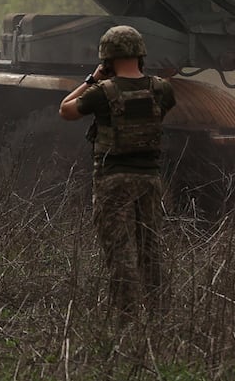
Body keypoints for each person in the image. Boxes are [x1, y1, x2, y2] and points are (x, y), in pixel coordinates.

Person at [59, 24, 176, 315]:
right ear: (140, 53)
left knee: (120, 252)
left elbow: (65, 109)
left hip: (113, 179)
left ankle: (127, 320)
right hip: (150, 178)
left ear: (107, 58)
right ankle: (158, 315)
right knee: (151, 249)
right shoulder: (162, 89)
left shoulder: (102, 92)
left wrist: (92, 78)